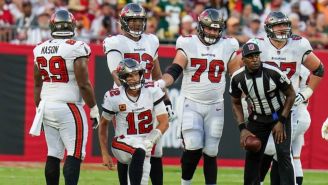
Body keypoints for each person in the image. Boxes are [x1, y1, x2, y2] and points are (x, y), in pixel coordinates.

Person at [155, 8, 240, 185]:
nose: (212, 32)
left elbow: (236, 75)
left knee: (211, 151)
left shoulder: (228, 45)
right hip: (191, 103)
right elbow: (176, 67)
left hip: (215, 105)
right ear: (201, 27)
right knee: (193, 147)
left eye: (216, 29)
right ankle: (185, 182)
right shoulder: (188, 43)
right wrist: (163, 82)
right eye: (209, 28)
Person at [244, 11, 324, 185]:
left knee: (281, 152)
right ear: (269, 28)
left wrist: (307, 93)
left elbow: (319, 69)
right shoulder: (258, 45)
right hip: (264, 107)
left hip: (289, 108)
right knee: (262, 151)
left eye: (285, 24)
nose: (283, 28)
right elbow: (241, 72)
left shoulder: (299, 45)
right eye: (278, 25)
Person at [102, 3, 174, 185]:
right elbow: (116, 74)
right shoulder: (115, 41)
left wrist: (165, 99)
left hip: (150, 97)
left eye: (139, 20)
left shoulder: (151, 40)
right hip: (126, 96)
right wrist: (133, 94)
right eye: (132, 20)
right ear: (124, 22)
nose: (135, 24)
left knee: (155, 149)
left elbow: (157, 74)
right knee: (128, 147)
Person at [31, 10, 99, 185]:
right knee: (75, 153)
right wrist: (93, 107)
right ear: (72, 26)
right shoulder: (76, 47)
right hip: (68, 106)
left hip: (46, 104)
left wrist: (39, 109)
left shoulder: (40, 48)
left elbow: (37, 84)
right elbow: (84, 83)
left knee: (53, 153)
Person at [230, 42, 296, 185]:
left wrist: (281, 121)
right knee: (252, 155)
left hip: (279, 114)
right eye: (250, 56)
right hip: (257, 118)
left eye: (256, 55)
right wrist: (242, 128)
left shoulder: (272, 72)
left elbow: (291, 94)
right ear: (243, 59)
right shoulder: (238, 78)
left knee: (283, 154)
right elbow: (235, 102)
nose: (254, 59)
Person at [98, 58, 169, 185]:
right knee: (140, 149)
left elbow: (164, 121)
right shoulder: (114, 97)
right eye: (129, 75)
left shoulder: (152, 90)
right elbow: (103, 124)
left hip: (146, 143)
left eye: (136, 74)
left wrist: (151, 139)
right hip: (122, 142)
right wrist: (104, 152)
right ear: (122, 78)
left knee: (142, 174)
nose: (134, 78)